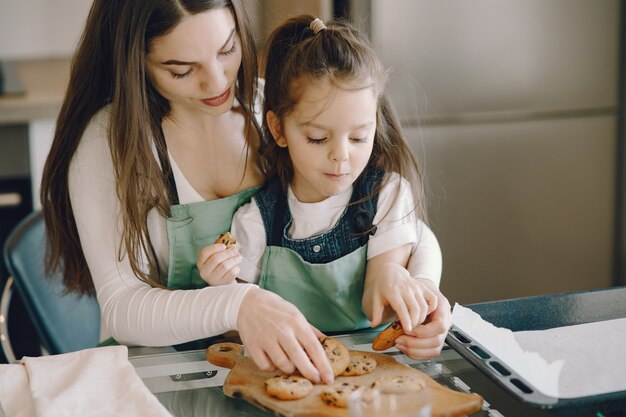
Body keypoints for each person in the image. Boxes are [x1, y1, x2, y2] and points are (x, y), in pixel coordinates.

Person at [40, 0, 335, 385]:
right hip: (162, 380)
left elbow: (378, 204)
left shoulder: (271, 108)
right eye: (181, 70)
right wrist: (238, 304)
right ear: (135, 63)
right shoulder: (110, 143)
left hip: (283, 370)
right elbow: (122, 309)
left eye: (228, 49)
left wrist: (417, 280)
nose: (217, 82)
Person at [223, 15, 451, 360]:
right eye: (318, 138)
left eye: (360, 137)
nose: (341, 157)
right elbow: (235, 323)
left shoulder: (385, 196)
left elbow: (376, 304)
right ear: (278, 129)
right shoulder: (256, 220)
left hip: (375, 376)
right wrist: (221, 284)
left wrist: (400, 283)